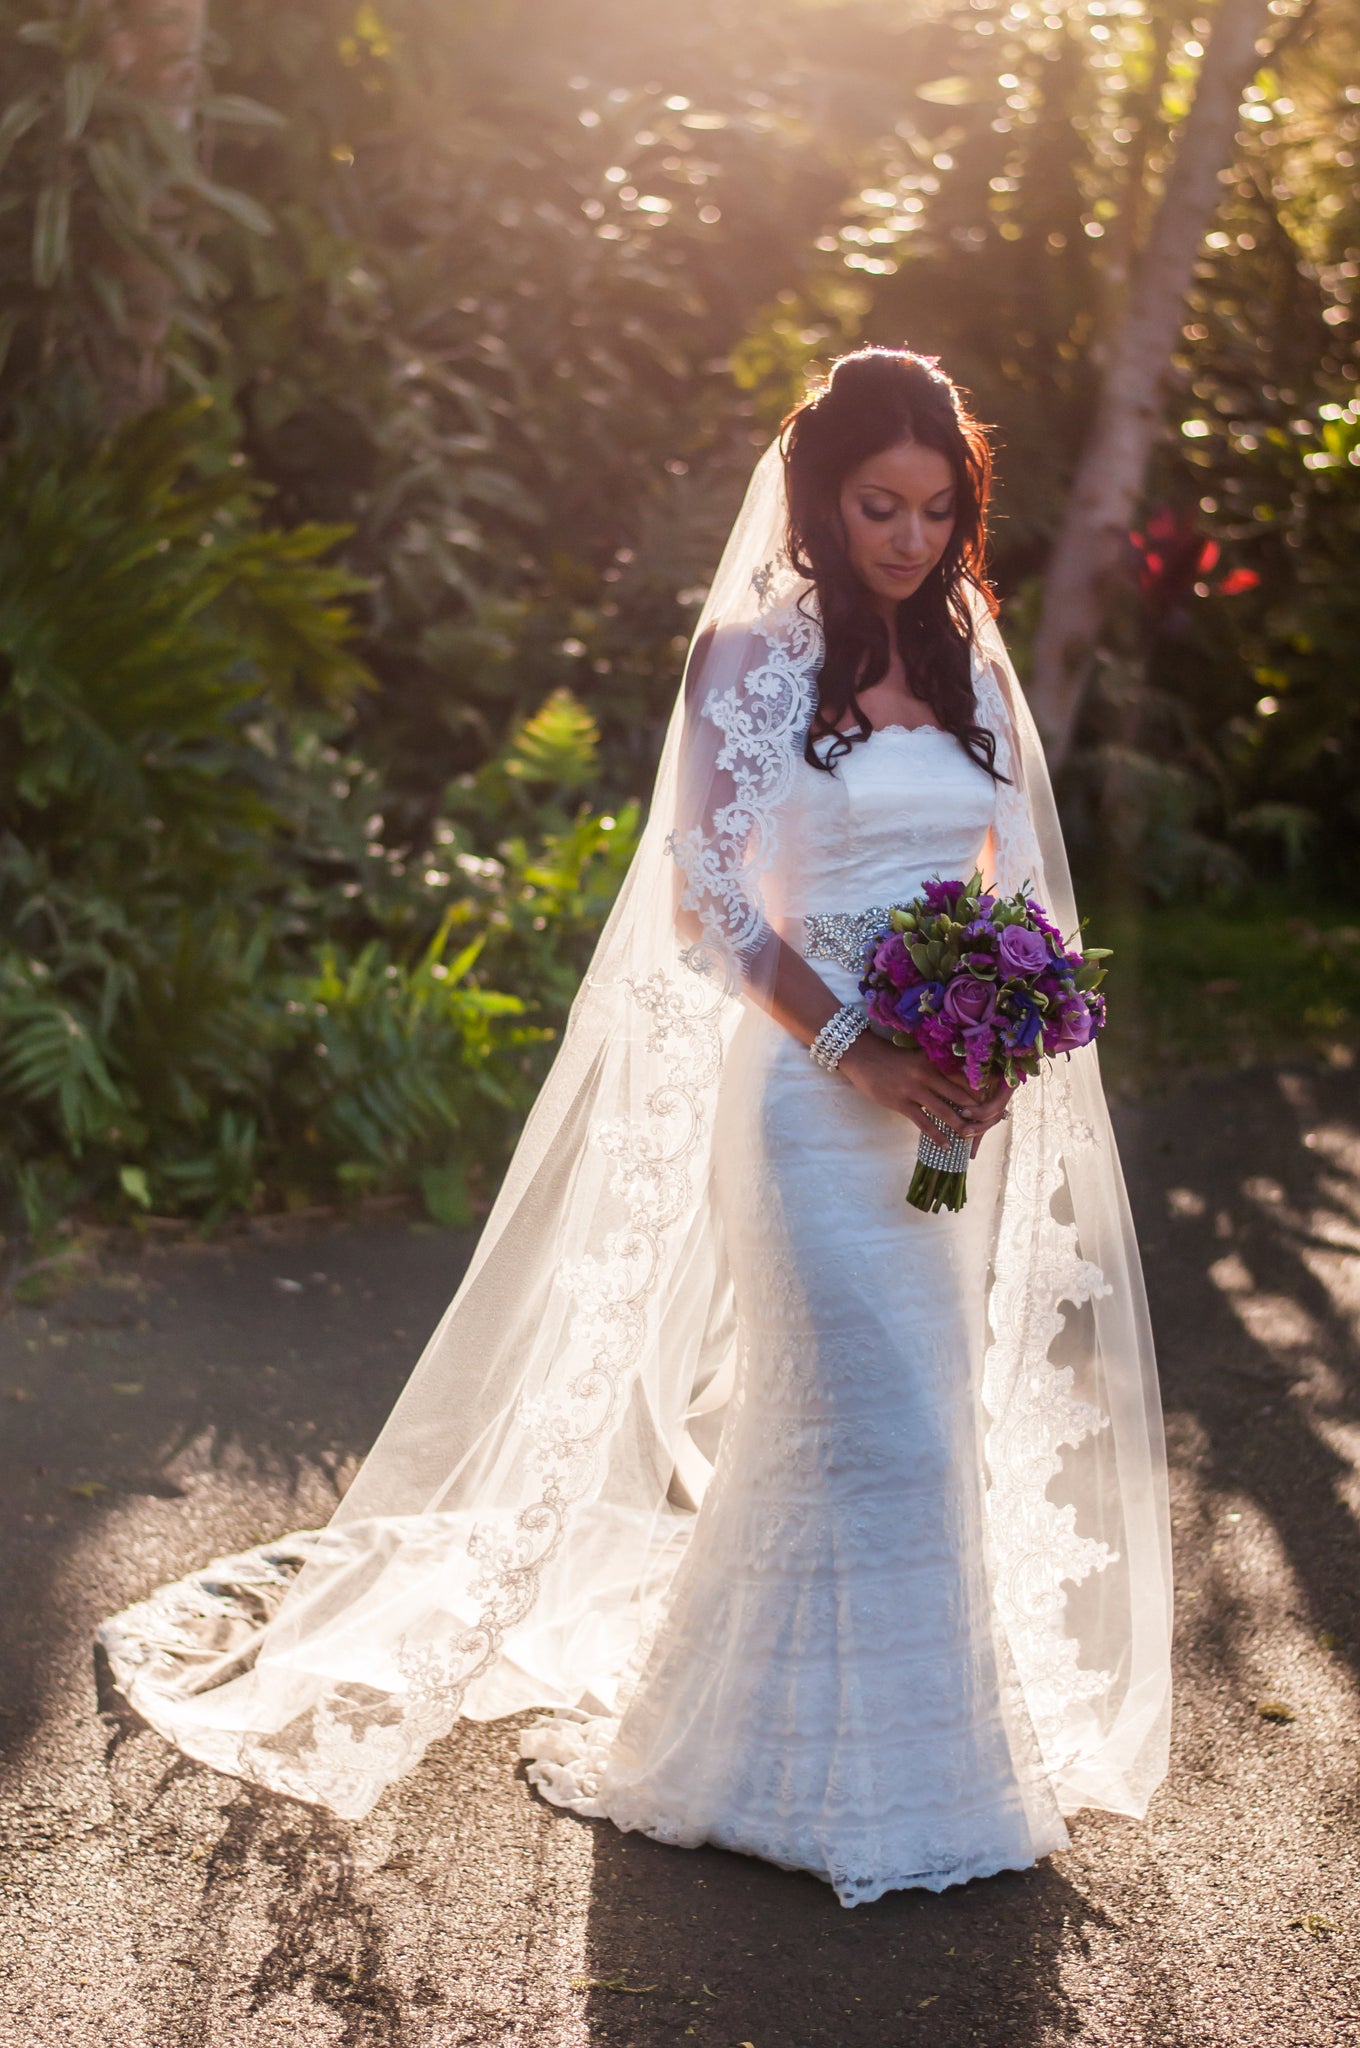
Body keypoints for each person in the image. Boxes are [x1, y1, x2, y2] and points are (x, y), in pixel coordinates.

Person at [100, 347, 1173, 1909]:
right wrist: (865, 1046)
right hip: (812, 1107)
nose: (909, 539)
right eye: (879, 505)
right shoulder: (748, 658)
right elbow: (711, 905)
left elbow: (1007, 884)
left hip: (947, 1104)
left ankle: (918, 1765)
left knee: (920, 1427)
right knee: (866, 1413)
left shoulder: (967, 659)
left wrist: (997, 1031)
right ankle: (771, 1771)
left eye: (937, 512)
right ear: (817, 495)